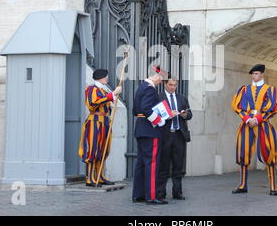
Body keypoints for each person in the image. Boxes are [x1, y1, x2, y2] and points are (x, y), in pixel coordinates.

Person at [230, 64, 277, 196]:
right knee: (243, 152)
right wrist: (248, 119)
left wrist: (258, 119)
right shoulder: (244, 89)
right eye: (253, 74)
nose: (254, 76)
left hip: (263, 123)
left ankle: (273, 187)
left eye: (257, 74)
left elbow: (274, 107)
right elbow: (237, 107)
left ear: (262, 75)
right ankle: (242, 185)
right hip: (247, 124)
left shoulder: (270, 90)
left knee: (269, 151)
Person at [132, 65, 176, 205]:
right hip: (150, 130)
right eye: (161, 81)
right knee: (151, 163)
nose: (160, 84)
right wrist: (159, 121)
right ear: (157, 77)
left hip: (141, 128)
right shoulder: (150, 89)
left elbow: (136, 110)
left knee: (141, 163)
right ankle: (151, 196)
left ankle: (138, 194)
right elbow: (146, 109)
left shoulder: (141, 87)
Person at [78, 68, 122, 187]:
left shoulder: (103, 90)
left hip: (104, 122)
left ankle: (99, 176)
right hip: (95, 122)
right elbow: (92, 103)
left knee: (103, 150)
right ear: (101, 77)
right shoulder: (91, 89)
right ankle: (90, 178)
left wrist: (112, 95)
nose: (107, 78)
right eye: (106, 76)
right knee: (93, 149)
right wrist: (112, 95)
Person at [157, 77, 192, 200]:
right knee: (163, 165)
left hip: (179, 135)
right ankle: (160, 193)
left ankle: (177, 192)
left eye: (175, 85)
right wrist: (168, 115)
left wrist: (185, 114)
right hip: (165, 135)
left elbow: (190, 114)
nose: (173, 87)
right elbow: (155, 115)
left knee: (178, 165)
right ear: (165, 84)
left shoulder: (182, 98)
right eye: (170, 85)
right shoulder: (159, 98)